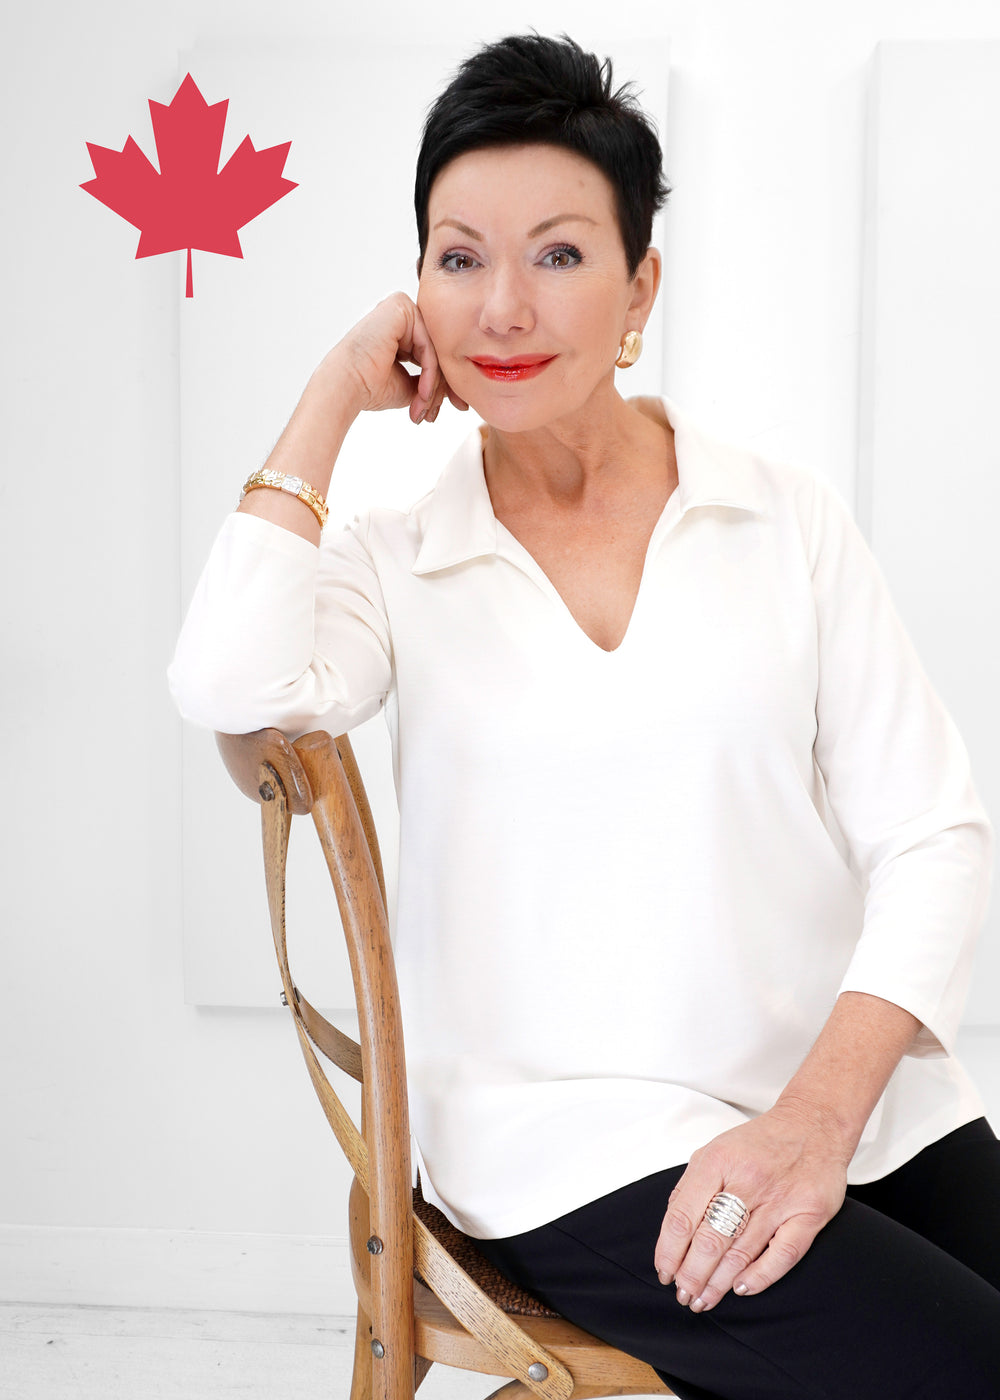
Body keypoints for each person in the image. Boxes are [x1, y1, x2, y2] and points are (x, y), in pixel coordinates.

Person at [169, 32, 1000, 1400]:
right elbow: (225, 681)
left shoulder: (779, 518)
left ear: (639, 288)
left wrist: (814, 1119)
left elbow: (934, 834)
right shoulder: (396, 558)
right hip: (572, 1147)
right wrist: (332, 395)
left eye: (557, 254)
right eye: (459, 258)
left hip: (850, 1100)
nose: (502, 308)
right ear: (416, 290)